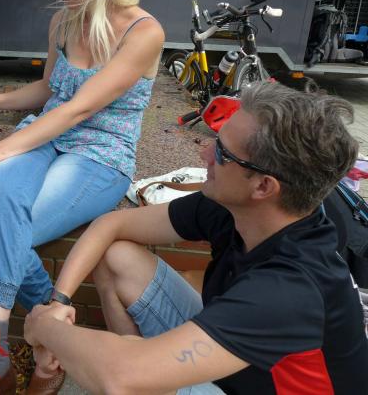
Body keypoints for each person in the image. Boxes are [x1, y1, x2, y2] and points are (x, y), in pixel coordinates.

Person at [23, 82, 368, 394]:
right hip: (236, 363)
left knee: (126, 375)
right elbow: (110, 225)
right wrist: (58, 304)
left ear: (264, 186)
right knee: (118, 258)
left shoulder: (289, 289)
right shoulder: (239, 208)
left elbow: (119, 375)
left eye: (222, 153)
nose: (204, 153)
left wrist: (44, 328)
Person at [0, 0, 165, 394]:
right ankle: (26, 345)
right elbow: (50, 90)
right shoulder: (64, 21)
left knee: (7, 226)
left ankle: (3, 359)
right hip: (44, 137)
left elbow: (78, 108)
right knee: (1, 199)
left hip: (100, 153)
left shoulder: (143, 32)